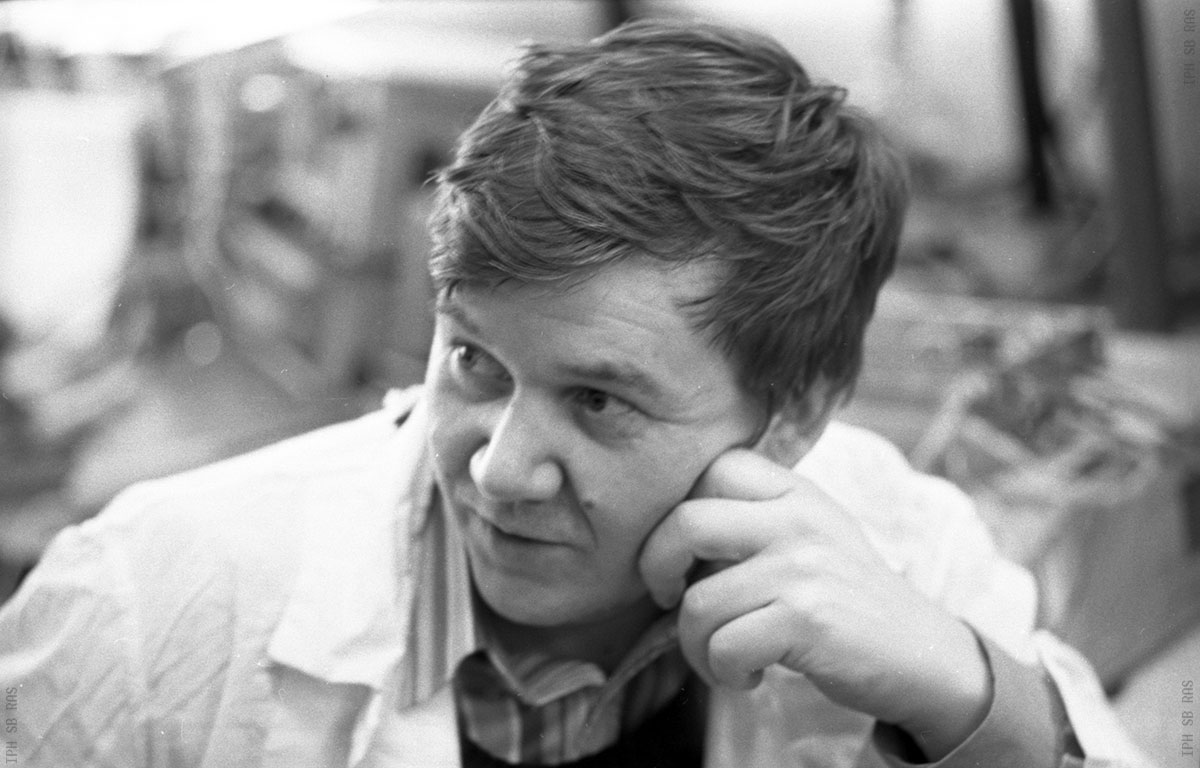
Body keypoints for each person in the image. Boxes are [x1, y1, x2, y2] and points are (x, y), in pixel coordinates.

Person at [0, 18, 1151, 768]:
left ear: (796, 413)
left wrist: (962, 692)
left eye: (600, 402)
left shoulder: (897, 548)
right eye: (474, 362)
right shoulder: (152, 601)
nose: (500, 469)